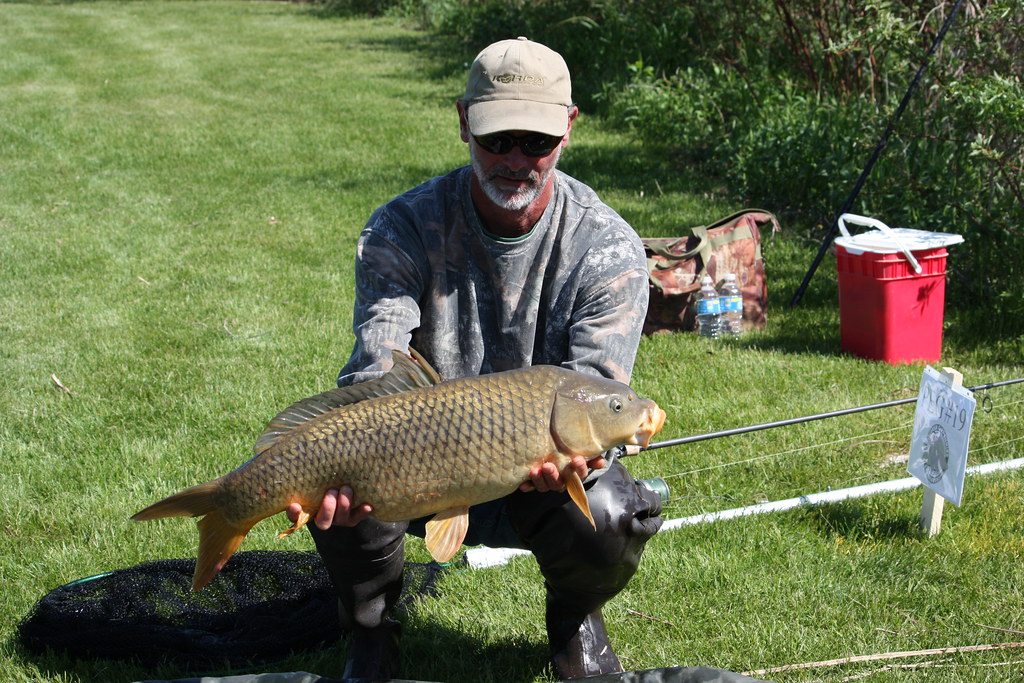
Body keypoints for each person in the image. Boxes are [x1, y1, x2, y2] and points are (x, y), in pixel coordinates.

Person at [289, 36, 663, 680]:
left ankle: (574, 621)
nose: (516, 160)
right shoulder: (400, 228)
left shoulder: (607, 247)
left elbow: (600, 394)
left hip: (538, 470)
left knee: (614, 510)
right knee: (336, 468)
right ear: (464, 121)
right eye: (497, 139)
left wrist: (587, 451)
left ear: (567, 130)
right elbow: (377, 369)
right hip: (417, 462)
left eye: (536, 142)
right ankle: (372, 636)